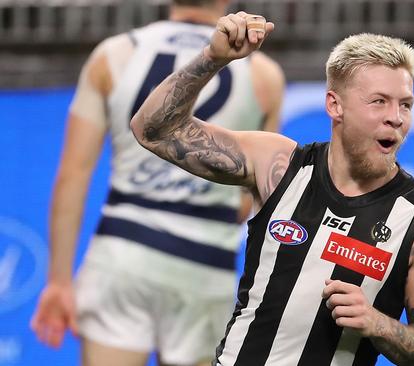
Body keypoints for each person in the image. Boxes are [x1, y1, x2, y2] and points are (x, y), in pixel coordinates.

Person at [131, 11, 414, 366]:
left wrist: (378, 324)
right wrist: (214, 58)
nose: (396, 116)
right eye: (379, 101)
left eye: (405, 104)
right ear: (335, 105)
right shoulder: (280, 166)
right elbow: (153, 130)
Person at [30, 1, 285, 365]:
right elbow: (253, 197)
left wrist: (58, 281)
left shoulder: (113, 54)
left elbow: (73, 174)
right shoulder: (264, 75)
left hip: (121, 256)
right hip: (204, 265)